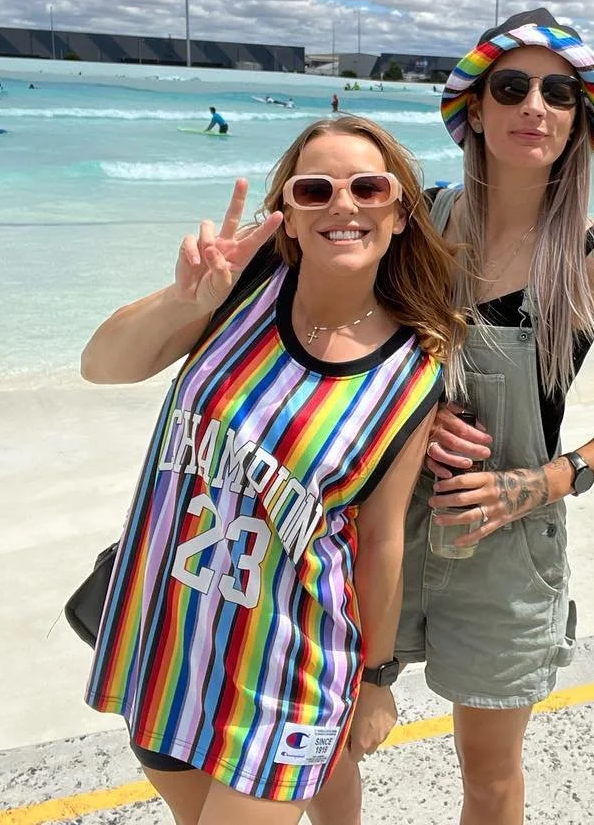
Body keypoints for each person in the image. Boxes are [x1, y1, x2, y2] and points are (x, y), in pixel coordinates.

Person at [311, 9, 594, 825]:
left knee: (488, 777)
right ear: (474, 109)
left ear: (581, 123)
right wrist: (413, 415)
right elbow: (334, 337)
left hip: (506, 561)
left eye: (559, 93)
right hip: (378, 530)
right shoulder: (420, 226)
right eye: (511, 87)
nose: (534, 107)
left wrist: (543, 482)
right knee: (331, 740)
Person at [80, 115, 465, 825]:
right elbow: (101, 367)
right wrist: (180, 300)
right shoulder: (238, 287)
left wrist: (378, 682)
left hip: (290, 671)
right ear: (287, 216)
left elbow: (380, 541)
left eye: (367, 187)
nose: (342, 205)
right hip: (168, 636)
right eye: (315, 190)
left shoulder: (412, 374)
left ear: (401, 212)